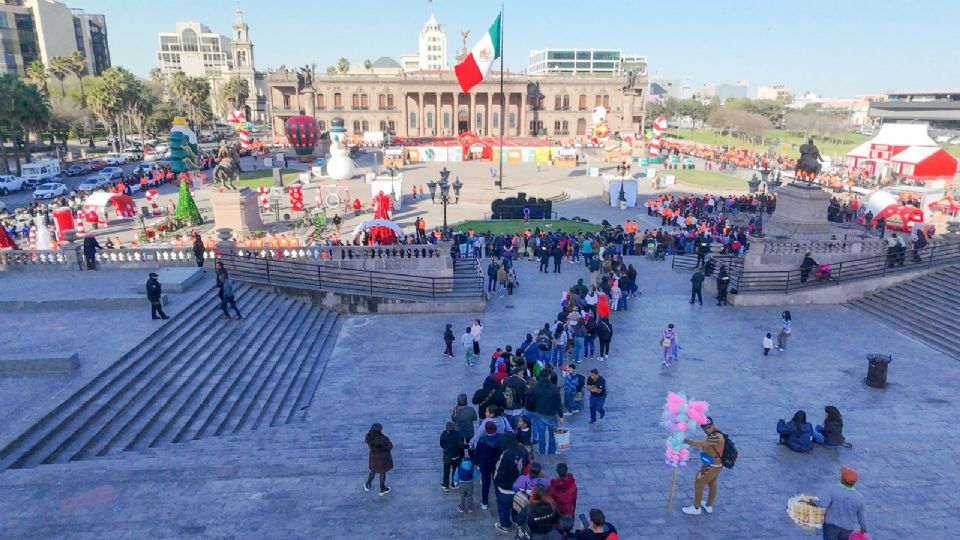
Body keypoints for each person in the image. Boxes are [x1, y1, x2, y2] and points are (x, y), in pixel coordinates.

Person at [682, 417, 725, 515]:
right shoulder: (714, 433)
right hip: (714, 464)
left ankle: (696, 508)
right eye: (704, 428)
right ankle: (709, 505)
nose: (706, 430)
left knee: (698, 483)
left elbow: (702, 443)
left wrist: (687, 441)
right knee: (712, 483)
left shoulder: (716, 437)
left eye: (707, 428)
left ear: (712, 426)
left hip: (711, 466)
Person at [811, 467, 867, 540]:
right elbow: (861, 516)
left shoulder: (832, 489)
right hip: (847, 529)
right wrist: (863, 529)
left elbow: (823, 504)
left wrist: (813, 502)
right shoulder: (860, 497)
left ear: (842, 479)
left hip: (831, 526)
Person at [494, 433, 529, 533]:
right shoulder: (522, 450)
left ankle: (505, 525)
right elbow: (526, 463)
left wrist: (497, 481)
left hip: (505, 488)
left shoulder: (506, 455)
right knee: (516, 505)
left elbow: (499, 472)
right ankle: (517, 521)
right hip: (519, 485)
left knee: (503, 508)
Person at [529, 372, 564, 455]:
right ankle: (551, 451)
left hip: (540, 413)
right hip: (552, 414)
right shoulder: (554, 388)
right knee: (552, 434)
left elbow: (532, 400)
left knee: (541, 433)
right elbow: (558, 403)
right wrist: (561, 415)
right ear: (549, 376)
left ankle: (541, 450)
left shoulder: (536, 387)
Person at [474, 422, 502, 510]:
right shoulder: (500, 438)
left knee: (485, 483)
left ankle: (484, 502)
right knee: (497, 482)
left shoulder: (482, 439)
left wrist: (476, 462)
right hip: (496, 463)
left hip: (485, 464)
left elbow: (477, 452)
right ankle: (499, 500)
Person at [363, 423, 393, 496]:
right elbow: (390, 446)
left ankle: (368, 484)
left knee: (373, 470)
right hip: (382, 457)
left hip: (373, 456)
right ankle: (382, 488)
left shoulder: (368, 436)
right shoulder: (383, 438)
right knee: (382, 472)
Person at [441, 421, 465, 491]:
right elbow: (461, 445)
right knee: (455, 469)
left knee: (446, 471)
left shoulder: (443, 434)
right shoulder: (457, 434)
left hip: (447, 456)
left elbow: (441, 444)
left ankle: (445, 485)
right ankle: (454, 484)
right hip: (456, 455)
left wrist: (445, 448)